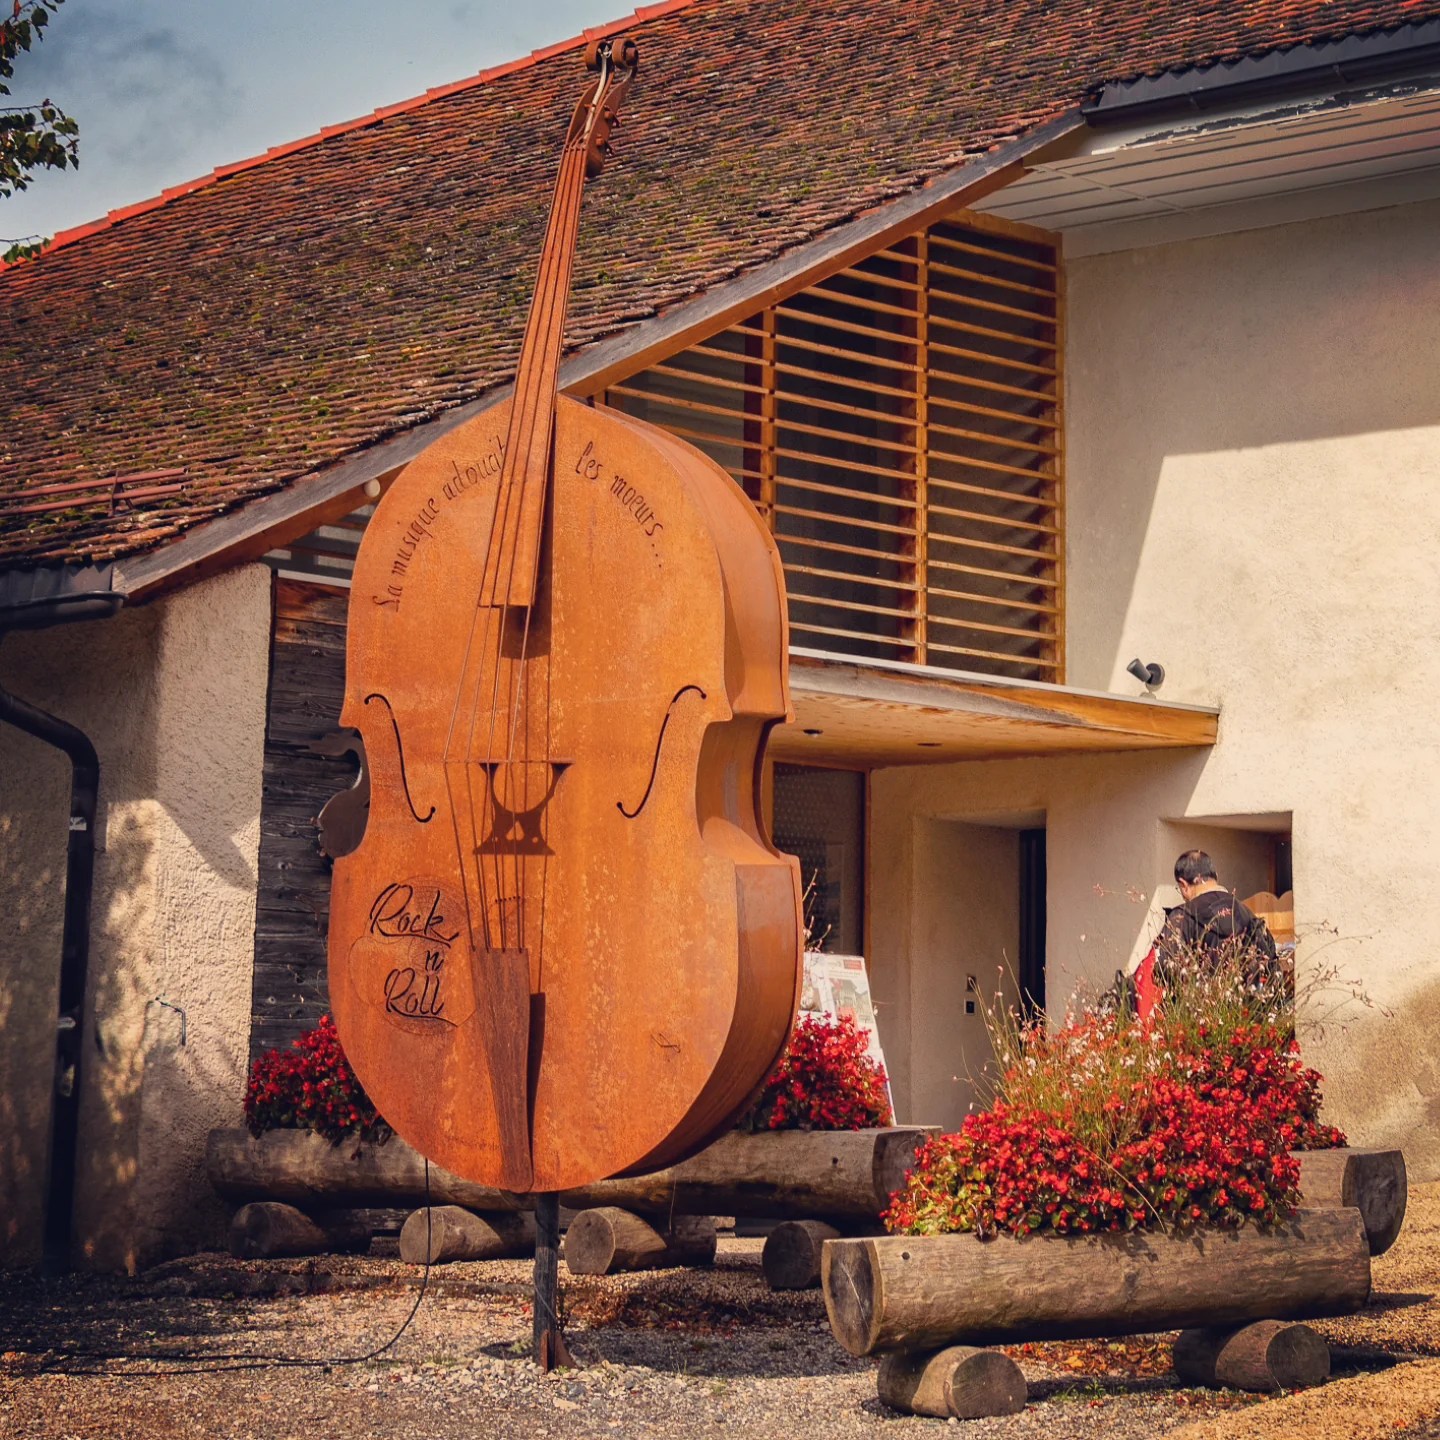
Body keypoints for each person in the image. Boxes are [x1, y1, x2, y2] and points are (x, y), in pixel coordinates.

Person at [1154, 849, 1277, 982]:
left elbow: (1162, 968)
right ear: (1216, 877)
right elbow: (1271, 968)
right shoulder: (1248, 915)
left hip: (1200, 1001)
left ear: (1183, 885)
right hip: (1249, 1001)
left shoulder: (1182, 917)